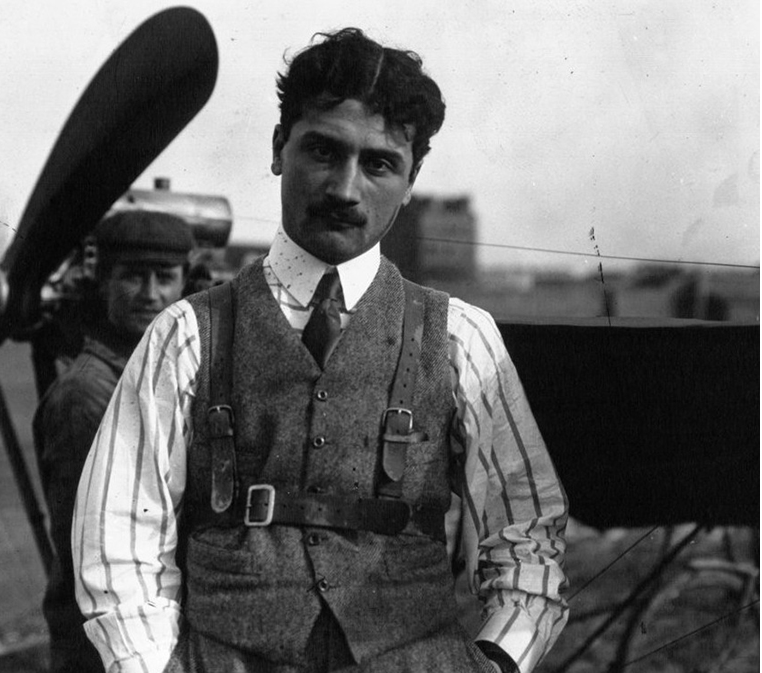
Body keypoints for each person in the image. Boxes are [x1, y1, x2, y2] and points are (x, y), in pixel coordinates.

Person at [72, 28, 569, 673]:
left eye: (379, 164)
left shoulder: (460, 339)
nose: (344, 188)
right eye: (323, 151)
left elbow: (528, 537)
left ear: (412, 178)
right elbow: (119, 541)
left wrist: (497, 663)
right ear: (280, 149)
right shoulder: (186, 333)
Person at [33, 208, 195, 673]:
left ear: (184, 283)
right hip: (105, 643)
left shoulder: (155, 373)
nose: (150, 294)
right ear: (103, 282)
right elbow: (96, 555)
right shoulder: (87, 395)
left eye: (164, 277)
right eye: (131, 277)